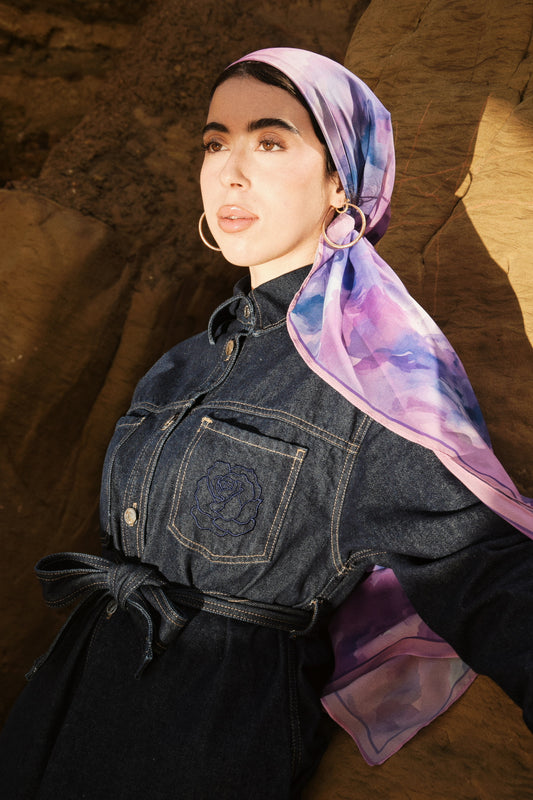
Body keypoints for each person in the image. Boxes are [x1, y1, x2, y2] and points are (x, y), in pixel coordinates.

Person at [1, 46, 532, 799]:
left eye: (271, 142)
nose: (230, 172)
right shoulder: (183, 362)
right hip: (58, 720)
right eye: (215, 143)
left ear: (341, 181)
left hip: (200, 747)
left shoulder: (370, 379)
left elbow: (487, 576)